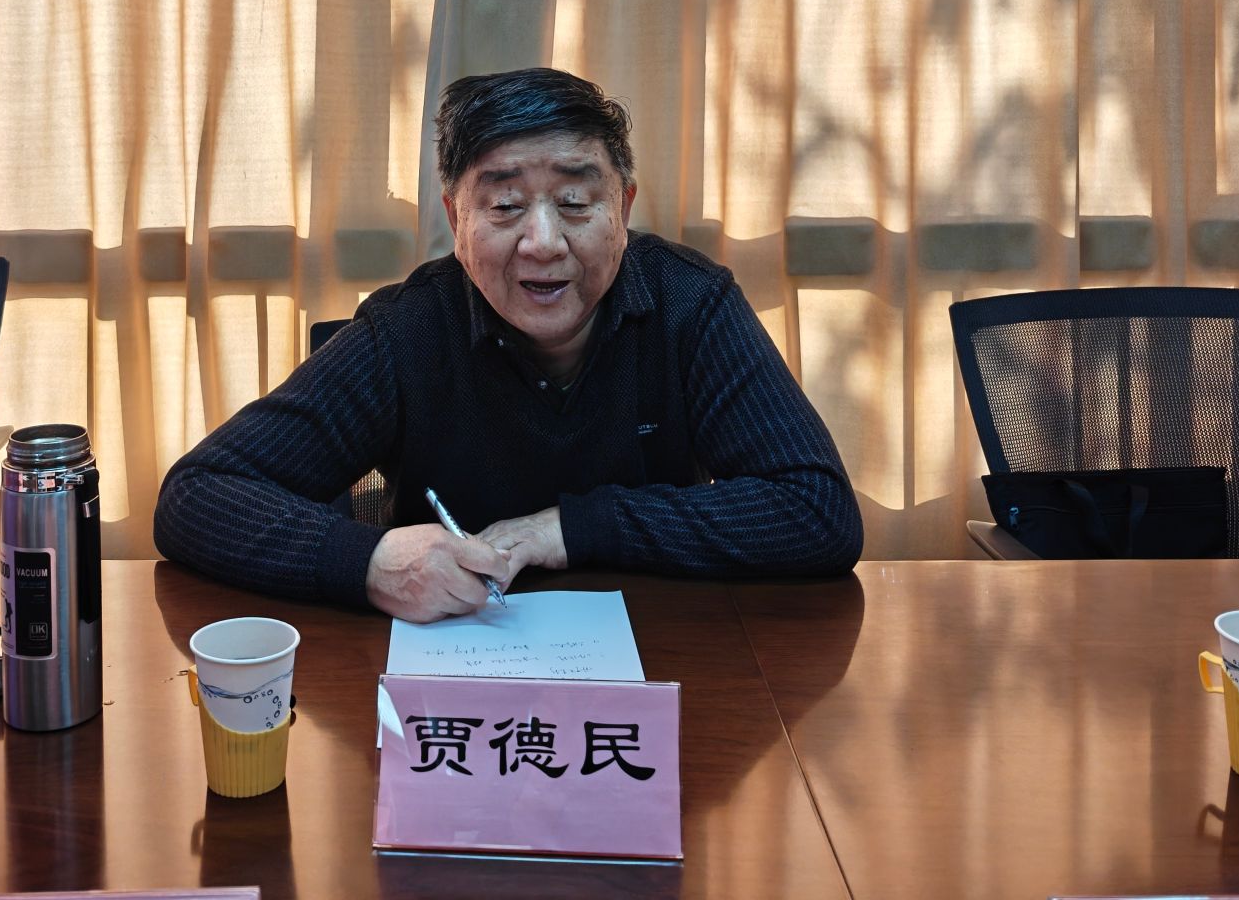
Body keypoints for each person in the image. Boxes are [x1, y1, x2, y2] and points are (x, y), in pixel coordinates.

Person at [153, 67, 863, 622]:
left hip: (659, 675)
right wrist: (366, 561)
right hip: (450, 684)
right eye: (505, 206)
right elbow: (197, 496)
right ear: (456, 218)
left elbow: (817, 512)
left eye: (575, 203)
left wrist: (571, 528)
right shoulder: (406, 330)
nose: (543, 242)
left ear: (623, 207)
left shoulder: (691, 305)